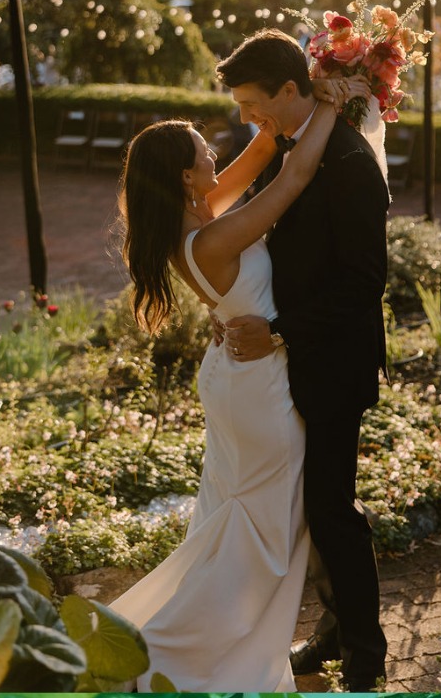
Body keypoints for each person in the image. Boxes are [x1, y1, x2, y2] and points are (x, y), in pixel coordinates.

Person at [109, 75, 366, 691]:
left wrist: (281, 113)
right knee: (261, 533)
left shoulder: (193, 214)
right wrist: (329, 103)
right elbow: (292, 177)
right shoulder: (214, 233)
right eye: (202, 149)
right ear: (184, 176)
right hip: (257, 390)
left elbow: (260, 153)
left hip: (235, 376)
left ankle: (187, 642)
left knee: (236, 521)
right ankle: (171, 652)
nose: (213, 151)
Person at [216, 28, 390, 692]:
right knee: (310, 508)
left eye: (252, 102)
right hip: (292, 363)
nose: (244, 117)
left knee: (332, 509)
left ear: (291, 90)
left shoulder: (348, 163)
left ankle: (365, 658)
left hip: (335, 366)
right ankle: (335, 630)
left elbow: (362, 283)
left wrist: (280, 331)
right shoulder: (284, 149)